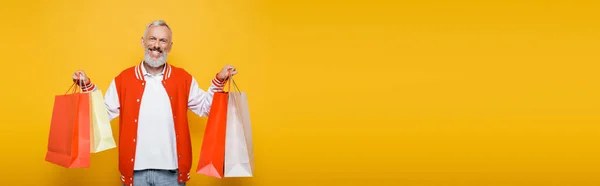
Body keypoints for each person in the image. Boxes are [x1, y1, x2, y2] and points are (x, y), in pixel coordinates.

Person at [72, 20, 238, 186]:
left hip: (172, 174)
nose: (156, 45)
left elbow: (205, 108)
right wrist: (87, 86)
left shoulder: (183, 78)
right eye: (152, 39)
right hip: (134, 174)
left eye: (163, 40)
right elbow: (103, 114)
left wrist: (220, 80)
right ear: (143, 42)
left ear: (170, 46)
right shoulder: (124, 79)